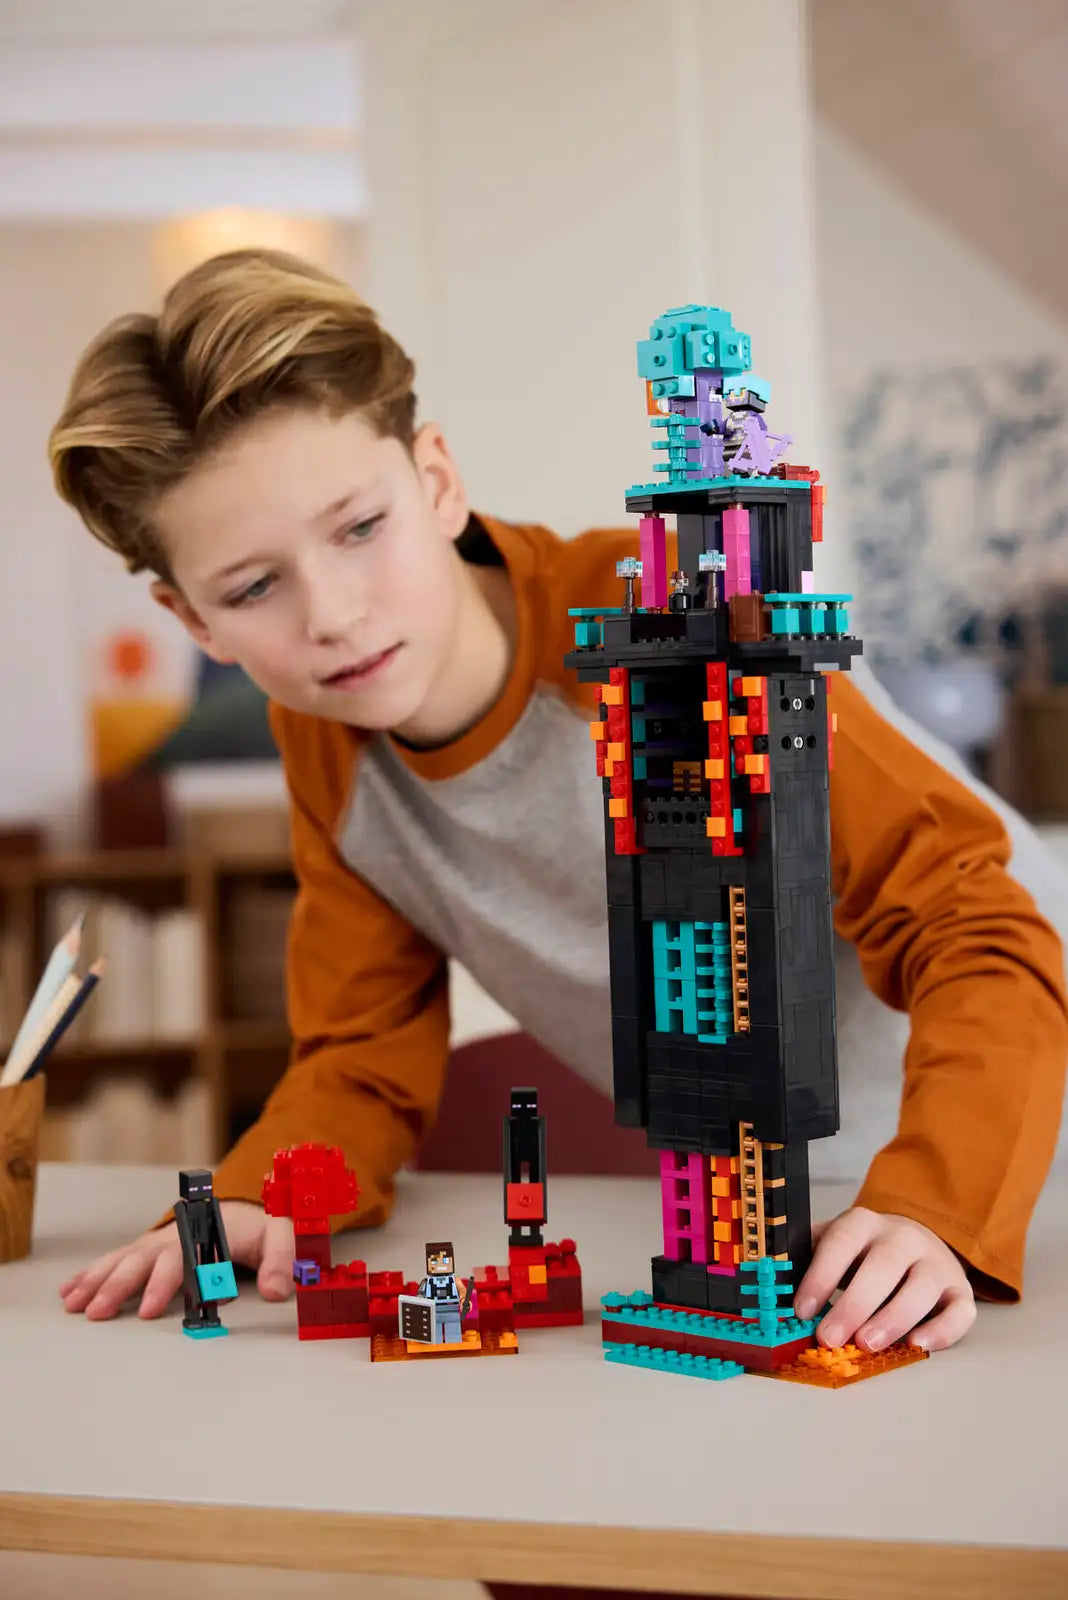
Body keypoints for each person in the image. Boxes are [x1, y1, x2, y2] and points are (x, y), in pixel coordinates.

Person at [49, 249, 1068, 1359]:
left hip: (1000, 1154)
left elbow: (980, 924)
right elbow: (359, 1051)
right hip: (802, 1215)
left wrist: (939, 1198)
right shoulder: (329, 738)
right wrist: (260, 1197)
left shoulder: (676, 619)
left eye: (358, 529)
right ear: (193, 621)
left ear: (436, 481)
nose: (332, 614)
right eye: (252, 588)